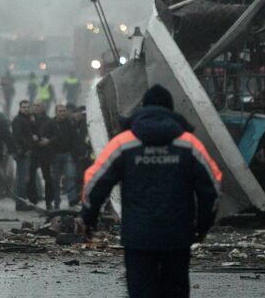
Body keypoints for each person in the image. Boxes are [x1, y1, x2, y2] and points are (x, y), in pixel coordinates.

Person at [79, 85, 221, 298]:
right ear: (171, 110)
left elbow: (96, 182)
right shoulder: (189, 144)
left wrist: (88, 218)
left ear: (143, 107)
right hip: (177, 235)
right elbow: (212, 187)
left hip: (138, 237)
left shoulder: (123, 143)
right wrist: (202, 226)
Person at [43, 104, 78, 209]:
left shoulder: (70, 124)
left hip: (67, 154)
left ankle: (72, 201)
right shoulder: (50, 124)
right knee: (55, 180)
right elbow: (45, 137)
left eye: (63, 111)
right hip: (55, 155)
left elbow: (74, 138)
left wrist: (75, 153)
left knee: (70, 178)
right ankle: (56, 203)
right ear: (56, 112)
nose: (62, 113)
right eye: (60, 111)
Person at [28, 101, 54, 209]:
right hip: (33, 151)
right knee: (31, 176)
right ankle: (32, 199)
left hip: (45, 151)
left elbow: (55, 134)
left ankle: (49, 201)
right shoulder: (29, 120)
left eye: (38, 105)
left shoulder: (49, 120)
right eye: (34, 105)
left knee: (47, 177)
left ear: (43, 108)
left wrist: (48, 141)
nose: (35, 107)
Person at [11, 100, 35, 211]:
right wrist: (25, 148)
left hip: (24, 152)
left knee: (22, 179)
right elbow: (18, 137)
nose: (26, 109)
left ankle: (21, 202)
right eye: (24, 107)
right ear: (20, 108)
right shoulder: (18, 120)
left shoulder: (26, 119)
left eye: (27, 107)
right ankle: (20, 204)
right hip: (22, 153)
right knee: (21, 179)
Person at [73, 106, 93, 205]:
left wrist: (83, 153)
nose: (75, 115)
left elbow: (85, 141)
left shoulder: (84, 125)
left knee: (82, 178)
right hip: (83, 156)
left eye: (77, 113)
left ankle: (83, 198)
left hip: (85, 157)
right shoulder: (79, 125)